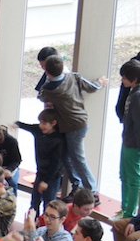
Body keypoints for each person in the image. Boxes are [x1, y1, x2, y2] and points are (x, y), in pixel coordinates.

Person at [38, 54, 108, 204]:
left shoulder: (49, 88)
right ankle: (78, 186)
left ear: (47, 72)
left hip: (71, 126)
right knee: (69, 157)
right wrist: (100, 82)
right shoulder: (74, 77)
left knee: (77, 158)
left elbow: (42, 97)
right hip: (80, 121)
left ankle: (92, 191)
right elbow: (91, 87)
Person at [15, 109, 67, 213]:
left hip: (52, 177)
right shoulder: (38, 130)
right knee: (34, 202)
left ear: (53, 123)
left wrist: (46, 181)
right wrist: (17, 124)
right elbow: (28, 126)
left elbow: (56, 163)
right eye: (40, 122)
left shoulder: (59, 140)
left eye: (44, 123)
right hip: (40, 173)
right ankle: (34, 220)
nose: (40, 126)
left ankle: (46, 222)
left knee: (49, 204)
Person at [118, 59, 140, 218]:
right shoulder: (133, 92)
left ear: (135, 78)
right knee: (124, 175)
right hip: (127, 141)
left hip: (133, 145)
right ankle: (124, 207)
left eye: (125, 77)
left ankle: (129, 212)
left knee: (133, 180)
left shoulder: (137, 96)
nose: (122, 80)